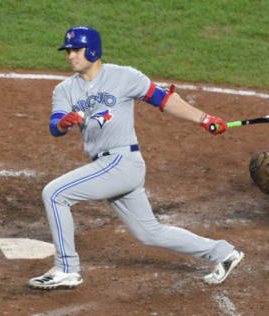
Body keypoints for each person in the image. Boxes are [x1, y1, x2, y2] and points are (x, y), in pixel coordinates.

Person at [28, 26, 244, 289]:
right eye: (68, 51)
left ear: (92, 50)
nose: (70, 55)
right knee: (149, 232)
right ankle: (223, 253)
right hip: (106, 165)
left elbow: (163, 100)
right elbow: (55, 127)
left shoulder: (124, 76)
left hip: (122, 162)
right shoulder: (64, 90)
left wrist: (204, 118)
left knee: (54, 193)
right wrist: (63, 123)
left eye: (76, 50)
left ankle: (66, 268)